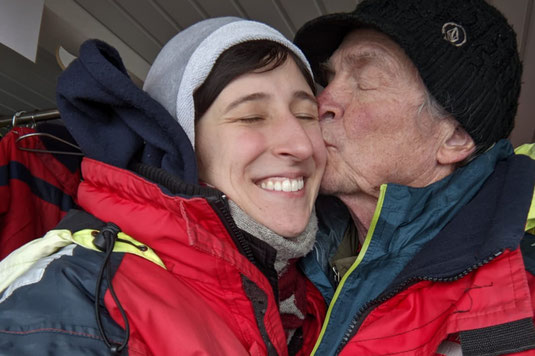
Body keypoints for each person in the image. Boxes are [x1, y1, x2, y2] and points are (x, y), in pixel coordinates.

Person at [0, 17, 327, 355]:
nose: (301, 145)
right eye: (251, 116)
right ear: (177, 141)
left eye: (307, 115)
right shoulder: (85, 305)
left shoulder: (309, 294)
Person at [293, 0, 535, 354]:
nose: (319, 103)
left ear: (453, 139)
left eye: (366, 80)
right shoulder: (287, 246)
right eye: (328, 79)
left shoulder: (518, 303)